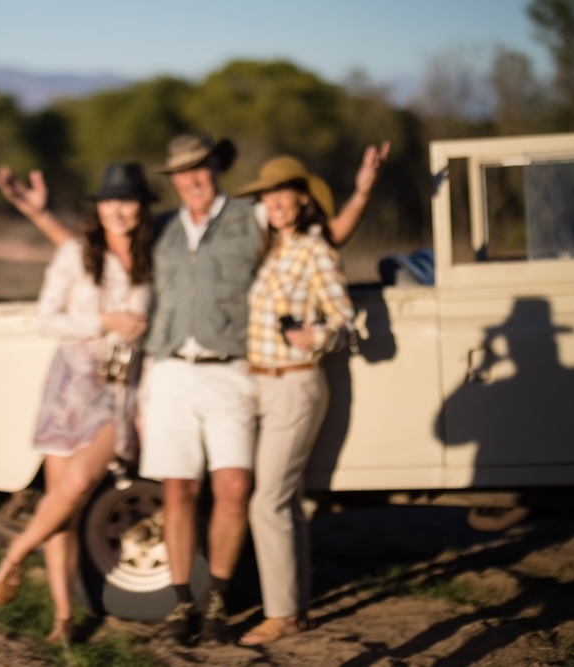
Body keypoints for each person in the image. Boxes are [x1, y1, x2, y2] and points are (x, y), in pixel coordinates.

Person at [15, 133, 386, 646]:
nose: (192, 179)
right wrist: (40, 217)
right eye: (182, 172)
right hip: (168, 373)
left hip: (231, 369)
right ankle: (181, 604)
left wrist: (362, 193)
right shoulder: (161, 228)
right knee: (179, 490)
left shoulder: (249, 218)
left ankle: (216, 601)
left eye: (201, 167)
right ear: (174, 181)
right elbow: (104, 242)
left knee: (234, 487)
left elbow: (323, 236)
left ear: (216, 168)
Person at [0, 162, 156, 643]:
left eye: (128, 201)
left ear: (142, 209)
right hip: (70, 385)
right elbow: (48, 319)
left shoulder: (154, 259)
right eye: (110, 201)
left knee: (78, 483)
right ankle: (63, 619)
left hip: (122, 389)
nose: (119, 210)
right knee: (64, 509)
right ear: (98, 208)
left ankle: (15, 553)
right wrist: (104, 322)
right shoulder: (75, 254)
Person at [232, 157, 355, 646]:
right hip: (260, 384)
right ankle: (295, 610)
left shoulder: (314, 250)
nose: (276, 203)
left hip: (296, 383)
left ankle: (281, 614)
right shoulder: (270, 252)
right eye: (268, 195)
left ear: (303, 197)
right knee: (284, 502)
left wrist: (318, 335)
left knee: (268, 501)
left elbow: (344, 319)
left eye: (285, 193)